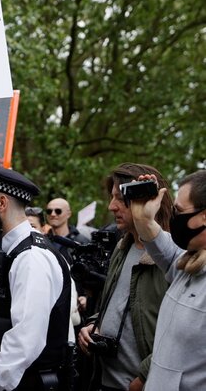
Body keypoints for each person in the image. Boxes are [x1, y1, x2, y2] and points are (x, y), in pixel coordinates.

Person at [0, 163, 71, 391]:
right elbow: (5, 313)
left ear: (2, 203)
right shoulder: (15, 252)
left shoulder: (31, 258)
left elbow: (24, 341)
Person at [77, 163, 173, 391]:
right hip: (103, 380)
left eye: (121, 198)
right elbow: (119, 304)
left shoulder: (174, 258)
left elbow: (181, 330)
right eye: (112, 198)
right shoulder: (122, 247)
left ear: (146, 199)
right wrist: (93, 324)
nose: (112, 207)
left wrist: (144, 378)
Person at [130, 170, 206, 390]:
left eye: (179, 211)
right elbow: (159, 244)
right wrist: (141, 217)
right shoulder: (188, 263)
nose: (174, 217)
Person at [46, 198, 90, 264]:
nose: (53, 214)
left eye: (58, 211)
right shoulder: (42, 240)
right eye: (49, 211)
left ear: (68, 214)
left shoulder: (82, 242)